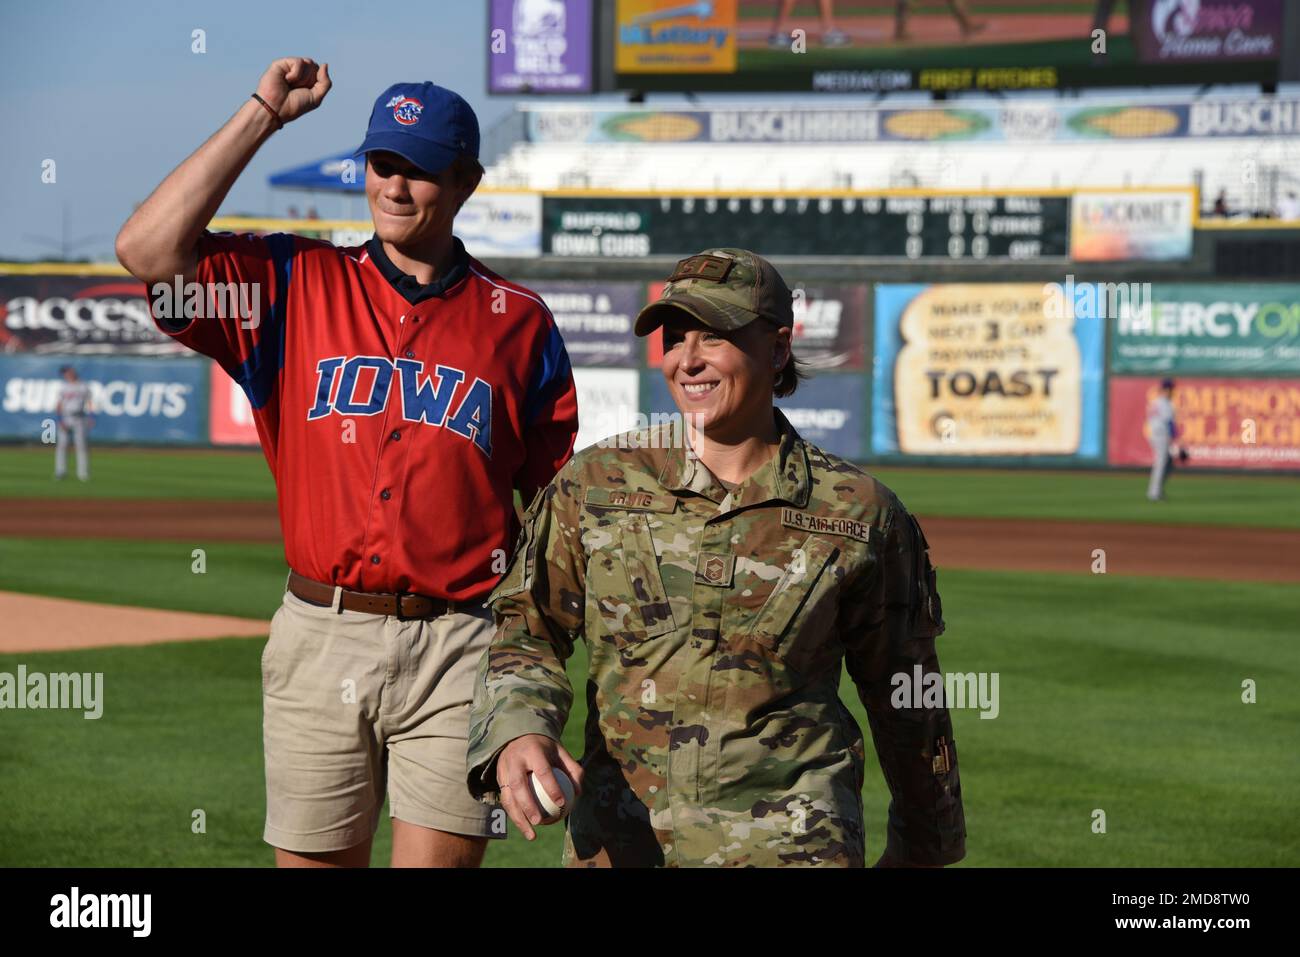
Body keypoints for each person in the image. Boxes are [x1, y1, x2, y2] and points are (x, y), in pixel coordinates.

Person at [114, 59, 578, 868]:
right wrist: (264, 111)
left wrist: (535, 685)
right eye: (382, 163)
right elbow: (147, 250)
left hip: (459, 647)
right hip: (320, 631)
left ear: (466, 180)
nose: (394, 187)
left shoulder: (520, 324)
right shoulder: (293, 281)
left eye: (420, 169)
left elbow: (553, 524)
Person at [467, 248, 966, 867]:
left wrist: (927, 847)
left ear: (778, 349)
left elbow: (907, 695)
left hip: (793, 848)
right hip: (624, 845)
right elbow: (527, 631)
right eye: (675, 338)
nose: (689, 359)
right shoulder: (593, 485)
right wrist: (518, 728)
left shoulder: (859, 512)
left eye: (716, 336)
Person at [53, 365, 93, 481]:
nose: (68, 374)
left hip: (80, 417)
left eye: (69, 371)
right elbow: (58, 405)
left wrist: (91, 417)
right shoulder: (63, 387)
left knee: (81, 446)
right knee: (62, 446)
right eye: (65, 373)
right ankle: (60, 471)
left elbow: (90, 402)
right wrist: (59, 420)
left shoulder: (83, 386)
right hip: (66, 417)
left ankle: (83, 473)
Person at [1146, 378, 1178, 501]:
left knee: (1168, 463)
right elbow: (1169, 423)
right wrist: (1176, 440)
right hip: (1161, 435)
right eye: (1170, 389)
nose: (1172, 391)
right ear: (1165, 390)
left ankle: (1157, 490)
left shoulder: (1155, 402)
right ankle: (1154, 492)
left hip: (1154, 434)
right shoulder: (1165, 403)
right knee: (1161, 463)